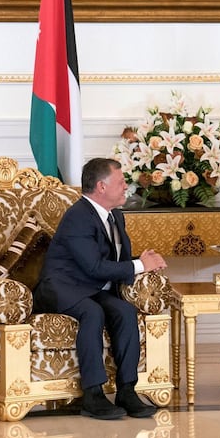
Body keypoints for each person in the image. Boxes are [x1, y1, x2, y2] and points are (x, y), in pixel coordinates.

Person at [33, 157, 168, 420]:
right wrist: (140, 265)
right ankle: (93, 395)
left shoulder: (115, 215)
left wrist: (141, 261)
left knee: (125, 312)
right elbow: (94, 267)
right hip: (61, 287)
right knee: (92, 313)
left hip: (91, 288)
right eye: (120, 182)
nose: (125, 186)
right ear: (101, 187)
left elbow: (111, 262)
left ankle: (127, 390)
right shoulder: (78, 217)